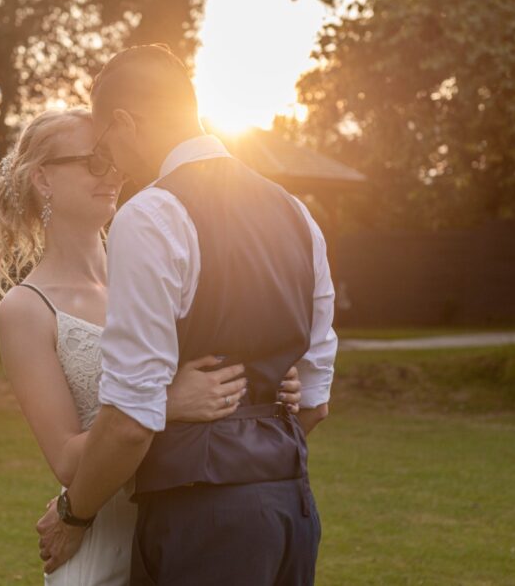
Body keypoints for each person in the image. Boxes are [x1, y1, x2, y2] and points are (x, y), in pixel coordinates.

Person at [36, 45, 337, 585]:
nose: (111, 166)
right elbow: (313, 402)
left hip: (203, 521)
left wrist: (73, 514)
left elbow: (130, 420)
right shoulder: (297, 213)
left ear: (126, 123)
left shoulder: (151, 216)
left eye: (105, 146)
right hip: (292, 511)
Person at [0, 108, 305, 585]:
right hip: (102, 536)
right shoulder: (25, 309)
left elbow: (216, 372)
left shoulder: (157, 268)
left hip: (191, 518)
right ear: (42, 179)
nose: (114, 172)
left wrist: (269, 380)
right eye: (94, 161)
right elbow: (68, 460)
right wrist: (168, 404)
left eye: (114, 157)